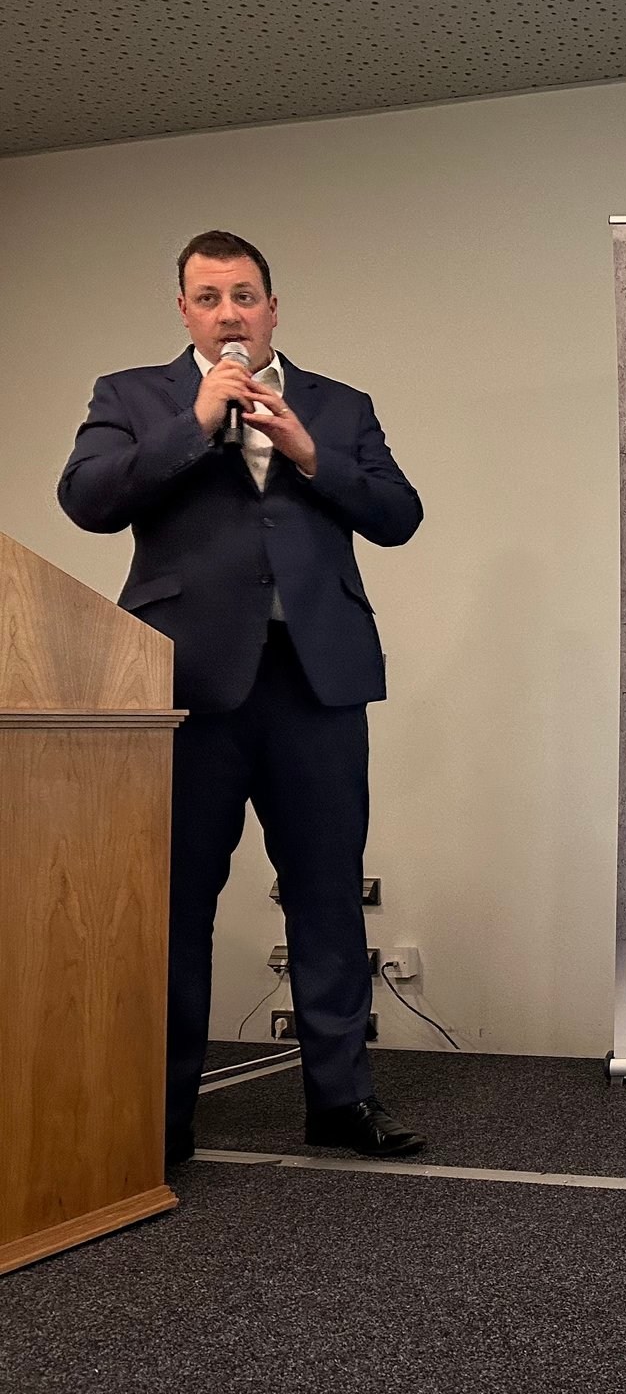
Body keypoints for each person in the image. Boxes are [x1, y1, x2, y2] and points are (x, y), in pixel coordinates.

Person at [58, 231, 427, 1164]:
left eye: (245, 296)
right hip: (187, 686)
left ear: (273, 306)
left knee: (328, 894)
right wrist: (193, 423)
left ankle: (340, 1101)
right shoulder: (132, 396)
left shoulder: (339, 405)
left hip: (316, 681)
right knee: (177, 901)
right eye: (210, 298)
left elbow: (399, 516)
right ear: (184, 311)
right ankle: (161, 1114)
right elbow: (87, 500)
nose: (230, 314)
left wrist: (308, 452)